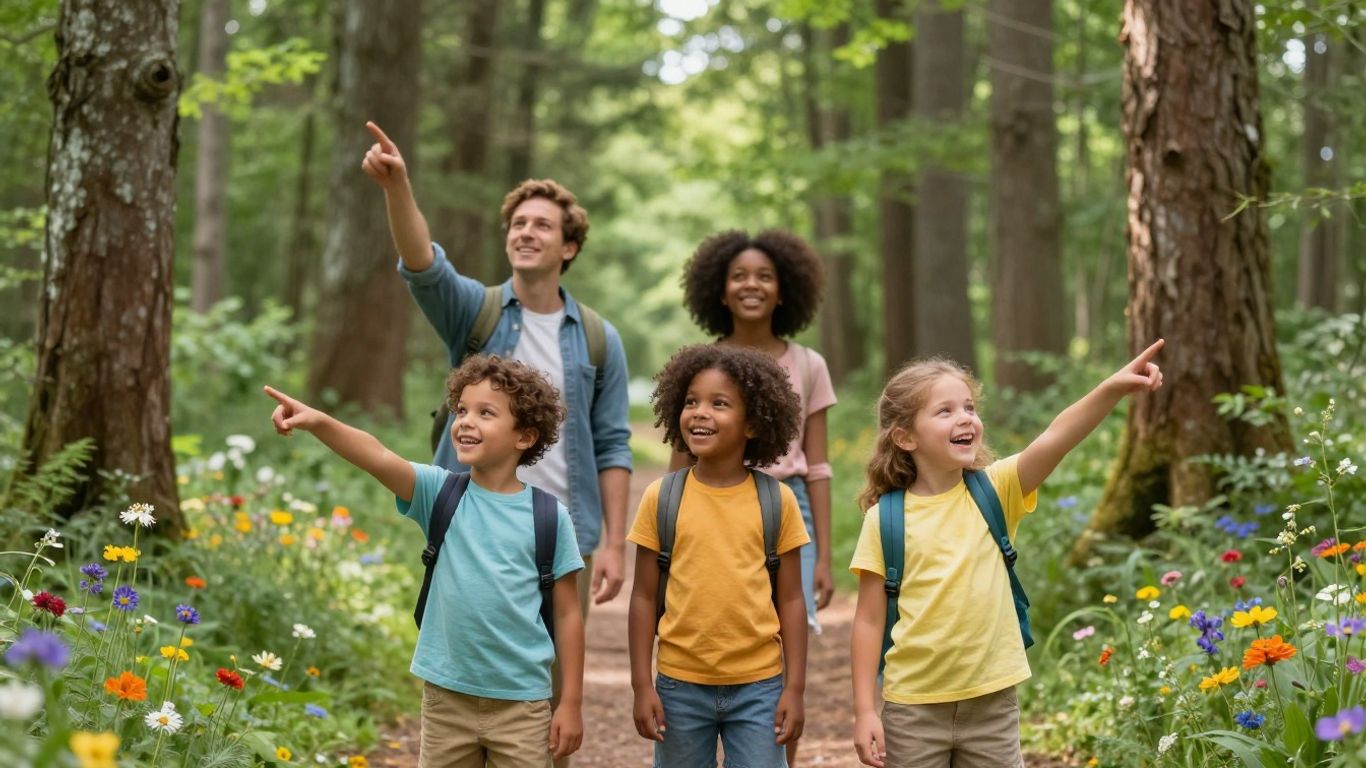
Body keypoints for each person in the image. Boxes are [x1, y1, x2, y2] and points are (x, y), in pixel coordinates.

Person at [360, 121, 632, 651]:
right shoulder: (475, 313)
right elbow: (424, 267)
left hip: (562, 531)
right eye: (518, 223)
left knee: (548, 678)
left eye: (542, 225)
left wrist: (615, 545)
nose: (526, 232)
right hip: (474, 521)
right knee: (466, 657)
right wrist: (398, 188)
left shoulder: (600, 339)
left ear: (569, 246)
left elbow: (613, 446)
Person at [848, 341, 1165, 768]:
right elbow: (868, 620)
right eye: (944, 412)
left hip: (993, 704)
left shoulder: (995, 490)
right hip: (913, 708)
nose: (965, 418)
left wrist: (1111, 388)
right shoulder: (885, 519)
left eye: (969, 407)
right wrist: (865, 711)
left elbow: (1056, 437)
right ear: (905, 437)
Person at [264, 354, 586, 768]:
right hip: (447, 698)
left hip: (522, 703)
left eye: (486, 413)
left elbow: (568, 614)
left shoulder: (548, 516)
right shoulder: (440, 493)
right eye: (462, 410)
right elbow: (377, 455)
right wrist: (319, 422)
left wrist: (571, 703)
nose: (466, 421)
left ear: (524, 436)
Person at [628, 344, 810, 768]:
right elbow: (641, 597)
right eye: (691, 401)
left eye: (719, 403)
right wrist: (642, 685)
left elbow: (792, 600)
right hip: (679, 684)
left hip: (760, 686)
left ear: (753, 424)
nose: (700, 412)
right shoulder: (663, 497)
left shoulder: (776, 500)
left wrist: (795, 689)